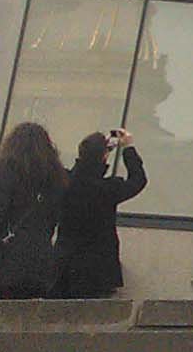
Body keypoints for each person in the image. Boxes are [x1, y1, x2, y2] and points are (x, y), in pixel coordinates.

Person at [0, 122, 67, 301]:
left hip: (5, 259)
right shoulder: (56, 177)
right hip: (40, 261)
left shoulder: (8, 168)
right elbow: (54, 218)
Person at [50, 128, 147, 300]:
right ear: (103, 157)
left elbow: (80, 167)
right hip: (98, 270)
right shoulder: (107, 189)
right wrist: (128, 148)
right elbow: (138, 180)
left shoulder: (65, 181)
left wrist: (102, 150)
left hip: (65, 267)